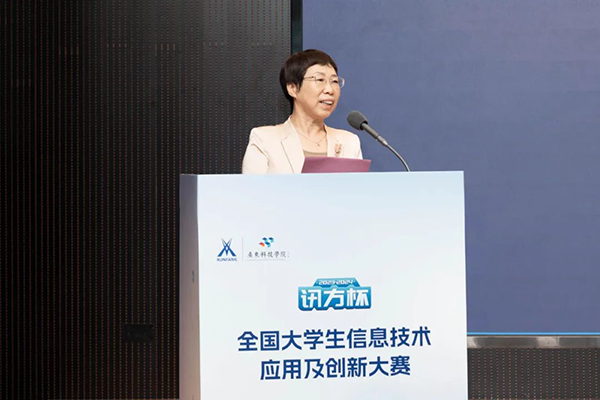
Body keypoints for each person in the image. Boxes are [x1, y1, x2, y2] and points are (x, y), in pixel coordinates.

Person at [242, 49, 363, 174]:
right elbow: (253, 187)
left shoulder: (349, 142)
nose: (330, 90)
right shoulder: (264, 140)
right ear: (292, 88)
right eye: (320, 80)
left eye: (334, 81)